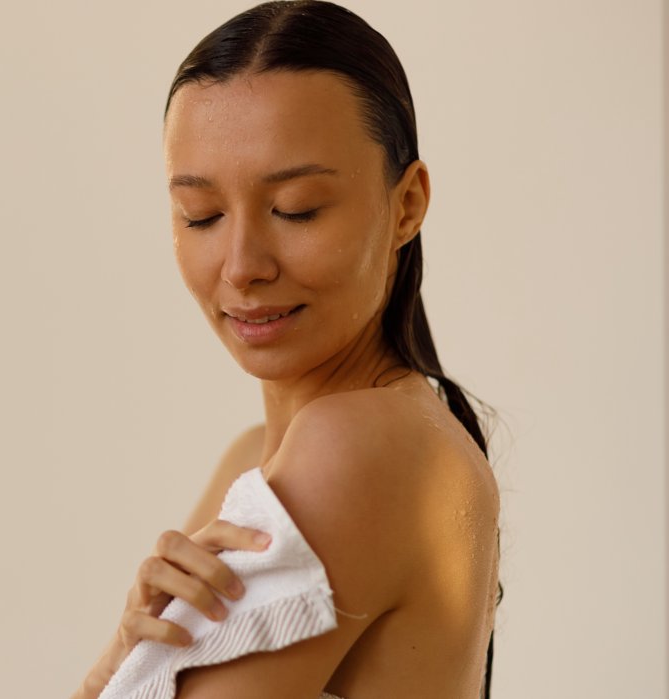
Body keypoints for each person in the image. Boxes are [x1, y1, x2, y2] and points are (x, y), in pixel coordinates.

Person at [73, 2, 503, 697]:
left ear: (406, 205)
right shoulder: (255, 456)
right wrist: (120, 654)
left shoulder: (354, 446)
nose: (242, 265)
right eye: (201, 216)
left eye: (296, 208)